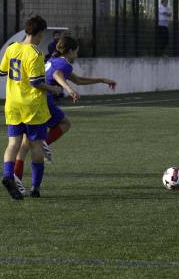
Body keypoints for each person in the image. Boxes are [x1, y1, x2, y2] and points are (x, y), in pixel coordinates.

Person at [12, 36, 117, 195]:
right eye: (76, 52)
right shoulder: (63, 64)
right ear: (69, 51)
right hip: (43, 102)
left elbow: (79, 80)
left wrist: (102, 79)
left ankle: (17, 179)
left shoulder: (54, 60)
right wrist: (68, 89)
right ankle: (36, 177)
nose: (77, 55)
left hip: (29, 101)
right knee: (63, 125)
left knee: (26, 143)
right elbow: (57, 76)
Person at [0, 15, 62, 200]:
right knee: (35, 145)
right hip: (31, 106)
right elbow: (36, 83)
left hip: (12, 103)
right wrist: (53, 89)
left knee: (13, 143)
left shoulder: (12, 48)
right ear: (40, 32)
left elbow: (2, 72)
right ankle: (35, 187)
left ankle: (8, 175)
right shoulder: (36, 53)